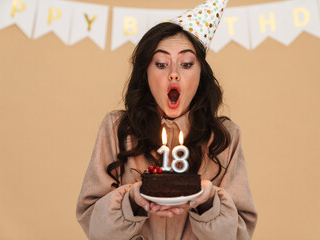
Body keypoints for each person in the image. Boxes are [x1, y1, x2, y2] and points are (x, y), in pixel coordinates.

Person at [76, 1, 257, 239]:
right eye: (161, 64)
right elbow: (95, 228)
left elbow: (239, 234)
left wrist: (207, 201)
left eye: (186, 64)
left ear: (201, 72)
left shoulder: (226, 136)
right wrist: (133, 200)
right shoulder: (116, 128)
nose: (174, 73)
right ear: (146, 73)